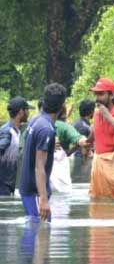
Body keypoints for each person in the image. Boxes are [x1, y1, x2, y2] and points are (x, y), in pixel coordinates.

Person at [20, 83, 67, 222]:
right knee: (41, 233)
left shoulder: (35, 119)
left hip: (28, 188)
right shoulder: (46, 129)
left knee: (33, 236)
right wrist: (44, 199)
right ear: (62, 106)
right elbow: (39, 166)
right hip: (35, 191)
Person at [88, 78, 114, 200]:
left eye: (101, 94)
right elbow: (95, 132)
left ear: (112, 95)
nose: (97, 98)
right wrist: (86, 144)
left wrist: (108, 115)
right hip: (98, 163)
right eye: (96, 94)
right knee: (96, 201)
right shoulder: (97, 114)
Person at [0, 97, 34, 196]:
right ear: (21, 112)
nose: (28, 113)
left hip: (8, 184)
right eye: (27, 110)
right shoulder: (7, 132)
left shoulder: (16, 130)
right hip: (3, 184)